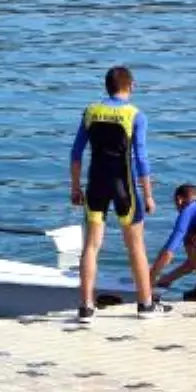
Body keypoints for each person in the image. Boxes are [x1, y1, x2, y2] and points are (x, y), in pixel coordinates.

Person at [69, 66, 167, 324]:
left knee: (90, 246)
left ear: (107, 86)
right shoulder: (135, 115)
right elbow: (142, 160)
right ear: (130, 86)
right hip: (124, 186)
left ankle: (86, 307)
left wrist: (75, 187)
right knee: (135, 246)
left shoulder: (91, 111)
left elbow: (76, 153)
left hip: (95, 184)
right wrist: (148, 195)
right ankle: (145, 305)